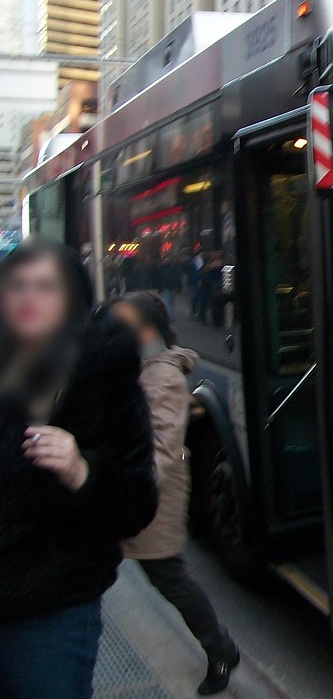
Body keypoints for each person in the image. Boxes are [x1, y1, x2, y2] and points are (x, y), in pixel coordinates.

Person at [0, 237, 158, 699]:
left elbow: (137, 505)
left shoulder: (102, 374)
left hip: (49, 613)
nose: (29, 297)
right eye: (18, 285)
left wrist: (81, 473)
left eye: (45, 286)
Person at [111, 291, 240, 696]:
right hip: (135, 494)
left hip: (155, 498)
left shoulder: (163, 376)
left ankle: (220, 648)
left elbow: (162, 451)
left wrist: (122, 489)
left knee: (170, 578)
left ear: (146, 330)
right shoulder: (141, 366)